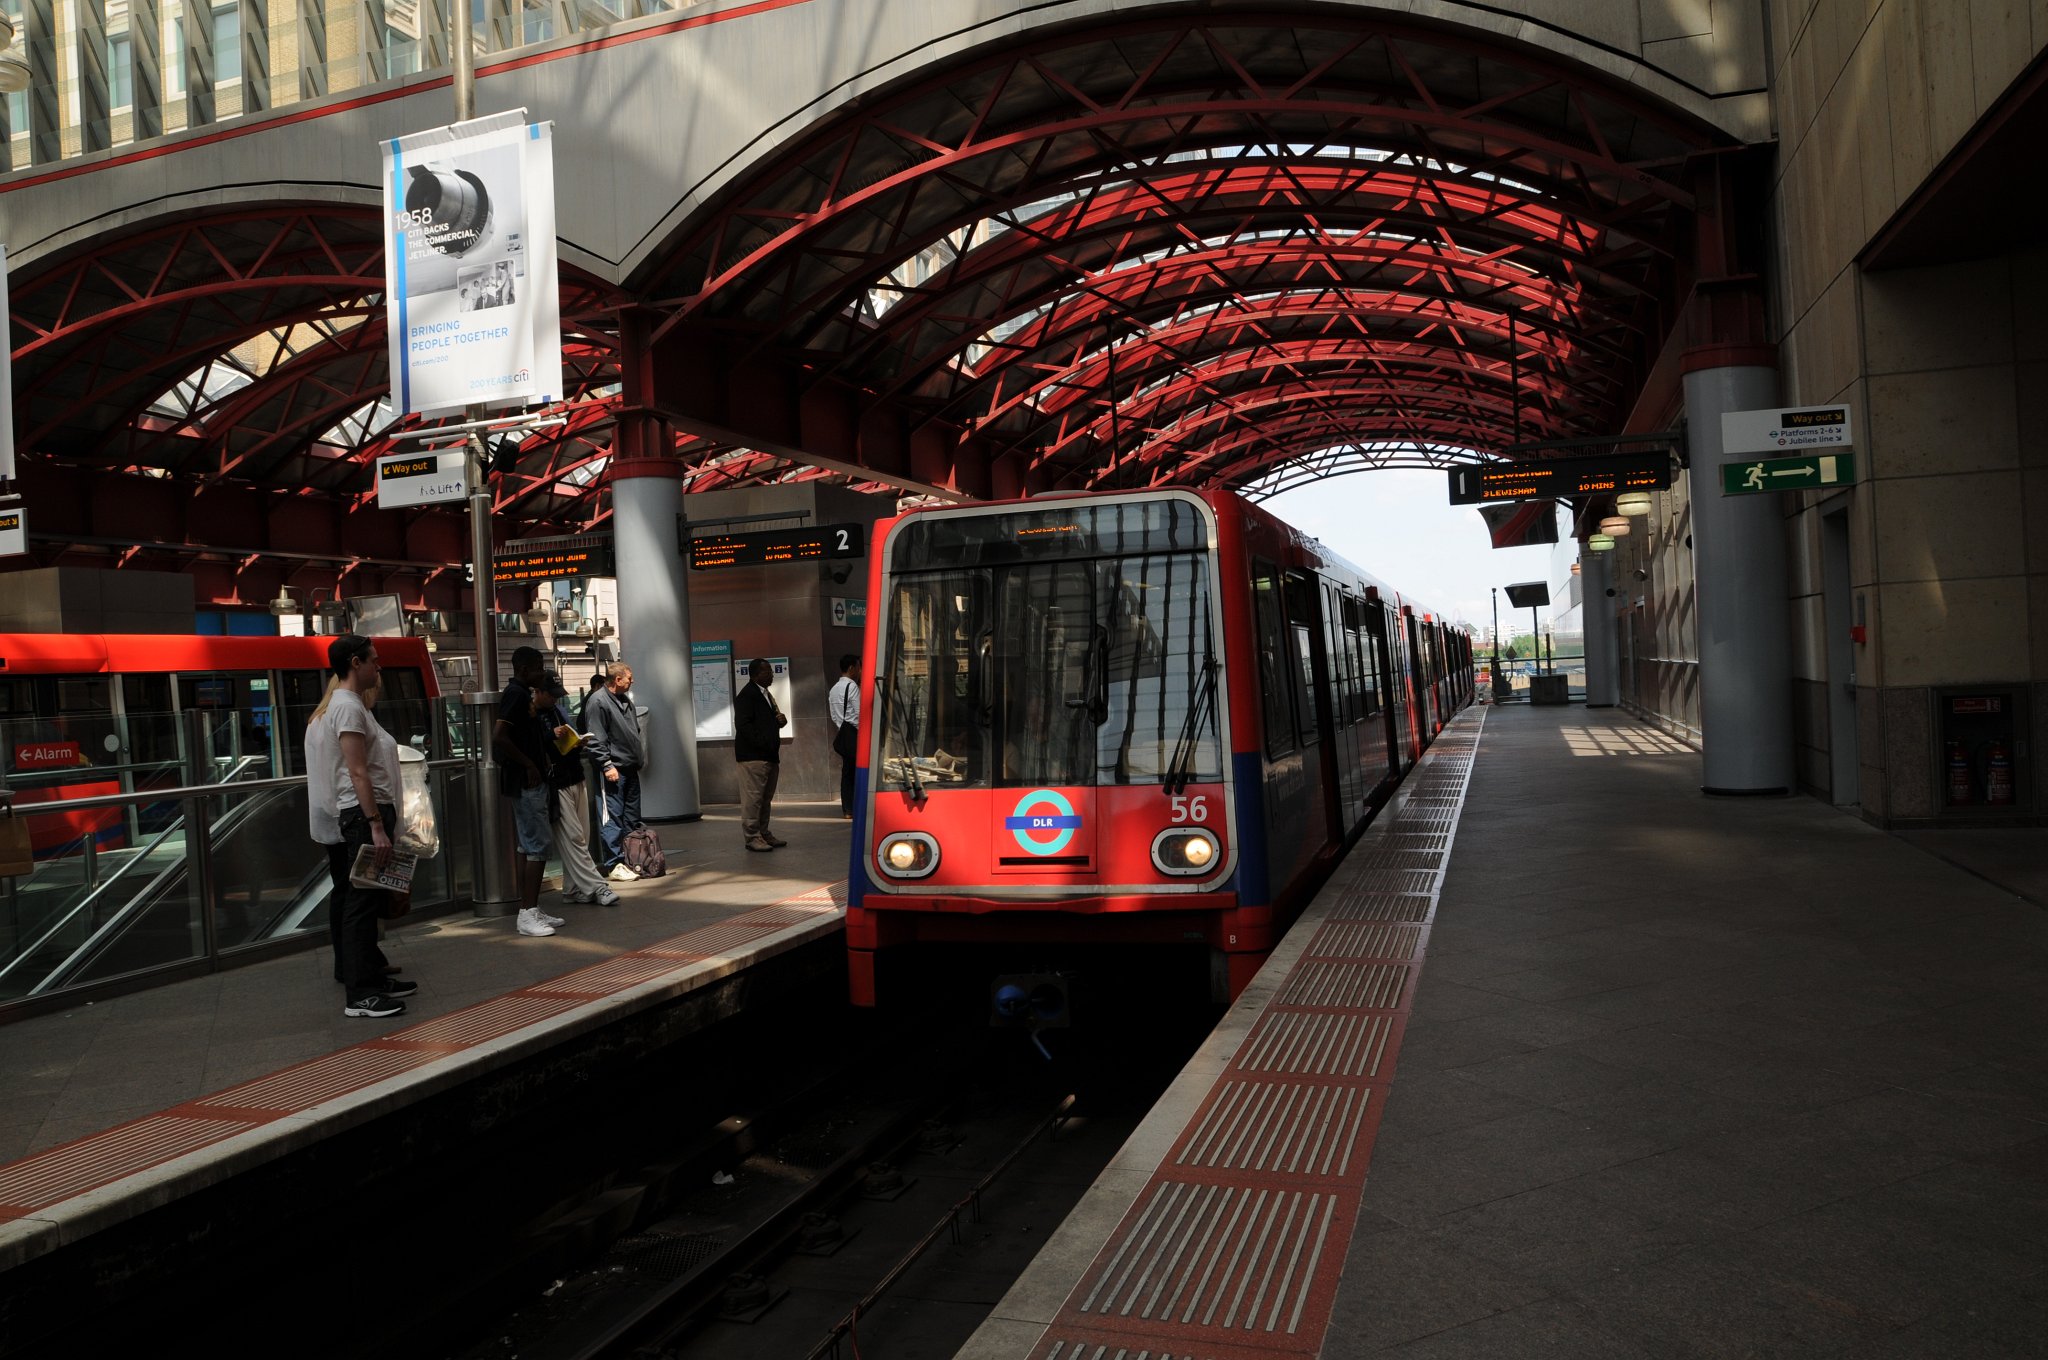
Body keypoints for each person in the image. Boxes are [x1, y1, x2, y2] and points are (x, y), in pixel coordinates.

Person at [323, 635, 419, 1018]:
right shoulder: (346, 708)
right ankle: (360, 994)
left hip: (372, 813)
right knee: (360, 904)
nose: (379, 667)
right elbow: (357, 771)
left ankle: (373, 979)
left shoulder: (354, 705)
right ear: (354, 662)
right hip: (365, 816)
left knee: (368, 900)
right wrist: (376, 824)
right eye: (373, 660)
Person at [308, 676, 401, 988]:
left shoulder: (324, 719)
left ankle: (359, 964)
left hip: (340, 816)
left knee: (350, 895)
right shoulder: (346, 715)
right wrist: (373, 821)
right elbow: (353, 773)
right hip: (350, 817)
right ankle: (358, 972)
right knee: (356, 899)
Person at [494, 645, 561, 937]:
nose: (542, 672)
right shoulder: (516, 695)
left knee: (528, 845)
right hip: (527, 782)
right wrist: (529, 765)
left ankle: (530, 908)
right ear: (523, 670)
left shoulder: (523, 694)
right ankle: (527, 913)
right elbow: (500, 736)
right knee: (537, 846)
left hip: (529, 779)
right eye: (538, 666)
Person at [539, 671, 618, 908]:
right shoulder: (534, 716)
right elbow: (532, 745)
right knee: (573, 837)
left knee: (581, 836)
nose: (555, 700)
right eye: (551, 695)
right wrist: (548, 736)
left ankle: (573, 889)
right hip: (557, 781)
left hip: (574, 775)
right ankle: (597, 886)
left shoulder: (558, 710)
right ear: (539, 692)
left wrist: (578, 740)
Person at [582, 661, 647, 880]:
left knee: (631, 816)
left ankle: (631, 857)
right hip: (613, 771)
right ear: (617, 679)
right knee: (612, 817)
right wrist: (607, 765)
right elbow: (596, 738)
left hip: (629, 768)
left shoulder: (624, 700)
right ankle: (614, 863)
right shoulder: (598, 701)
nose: (632, 681)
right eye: (629, 677)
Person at [734, 657, 787, 852]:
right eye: (767, 672)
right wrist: (763, 744)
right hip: (754, 757)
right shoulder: (747, 696)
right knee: (753, 799)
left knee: (765, 798)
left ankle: (763, 833)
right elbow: (743, 726)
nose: (772, 674)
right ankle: (752, 837)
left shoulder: (766, 694)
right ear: (756, 674)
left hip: (769, 756)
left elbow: (766, 722)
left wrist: (780, 721)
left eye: (771, 671)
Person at [829, 653, 861, 819]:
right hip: (854, 735)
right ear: (851, 668)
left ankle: (847, 809)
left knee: (847, 772)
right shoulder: (852, 687)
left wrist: (842, 726)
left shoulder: (834, 689)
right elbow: (859, 713)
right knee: (857, 771)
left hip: (842, 734)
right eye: (858, 667)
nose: (860, 670)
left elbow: (834, 715)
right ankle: (857, 806)